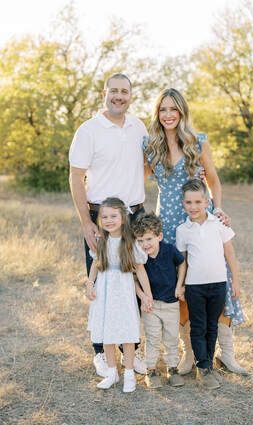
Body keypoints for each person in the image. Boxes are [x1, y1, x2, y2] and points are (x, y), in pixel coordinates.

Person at [143, 88, 246, 375]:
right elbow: (135, 179)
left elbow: (214, 180)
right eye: (163, 109)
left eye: (173, 109)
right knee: (183, 286)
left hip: (201, 217)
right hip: (171, 225)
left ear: (182, 112)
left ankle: (227, 353)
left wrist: (219, 209)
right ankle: (189, 352)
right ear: (157, 113)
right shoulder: (150, 146)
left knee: (217, 278)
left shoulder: (197, 141)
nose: (168, 115)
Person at [69, 73, 148, 377]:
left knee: (134, 283)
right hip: (101, 216)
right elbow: (76, 177)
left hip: (136, 214)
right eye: (113, 91)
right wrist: (87, 222)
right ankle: (102, 353)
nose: (119, 96)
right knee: (102, 284)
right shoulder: (88, 130)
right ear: (104, 93)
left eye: (124, 91)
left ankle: (132, 352)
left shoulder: (138, 126)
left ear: (131, 95)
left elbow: (144, 165)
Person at [176, 179, 240, 389]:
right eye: (188, 202)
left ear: (206, 202)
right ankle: (202, 367)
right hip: (195, 286)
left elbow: (229, 253)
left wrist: (235, 283)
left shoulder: (219, 224)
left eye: (197, 201)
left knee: (212, 326)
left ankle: (208, 364)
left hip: (219, 284)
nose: (193, 207)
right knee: (199, 326)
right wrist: (181, 285)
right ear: (183, 203)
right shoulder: (183, 230)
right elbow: (183, 261)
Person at [86, 198, 153, 392]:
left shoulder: (130, 241)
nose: (109, 220)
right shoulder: (101, 240)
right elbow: (95, 265)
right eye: (104, 216)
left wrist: (146, 294)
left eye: (113, 216)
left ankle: (129, 373)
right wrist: (90, 284)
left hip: (123, 292)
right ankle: (112, 372)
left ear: (123, 218)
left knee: (126, 332)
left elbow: (140, 270)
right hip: (104, 293)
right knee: (107, 334)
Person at [133, 213, 186, 389]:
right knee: (153, 338)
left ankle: (172, 368)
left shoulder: (169, 250)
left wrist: (180, 286)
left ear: (159, 236)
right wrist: (143, 296)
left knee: (172, 337)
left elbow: (182, 264)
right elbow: (133, 279)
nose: (144, 244)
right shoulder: (139, 256)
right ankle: (152, 370)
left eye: (148, 239)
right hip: (151, 305)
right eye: (140, 240)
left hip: (171, 303)